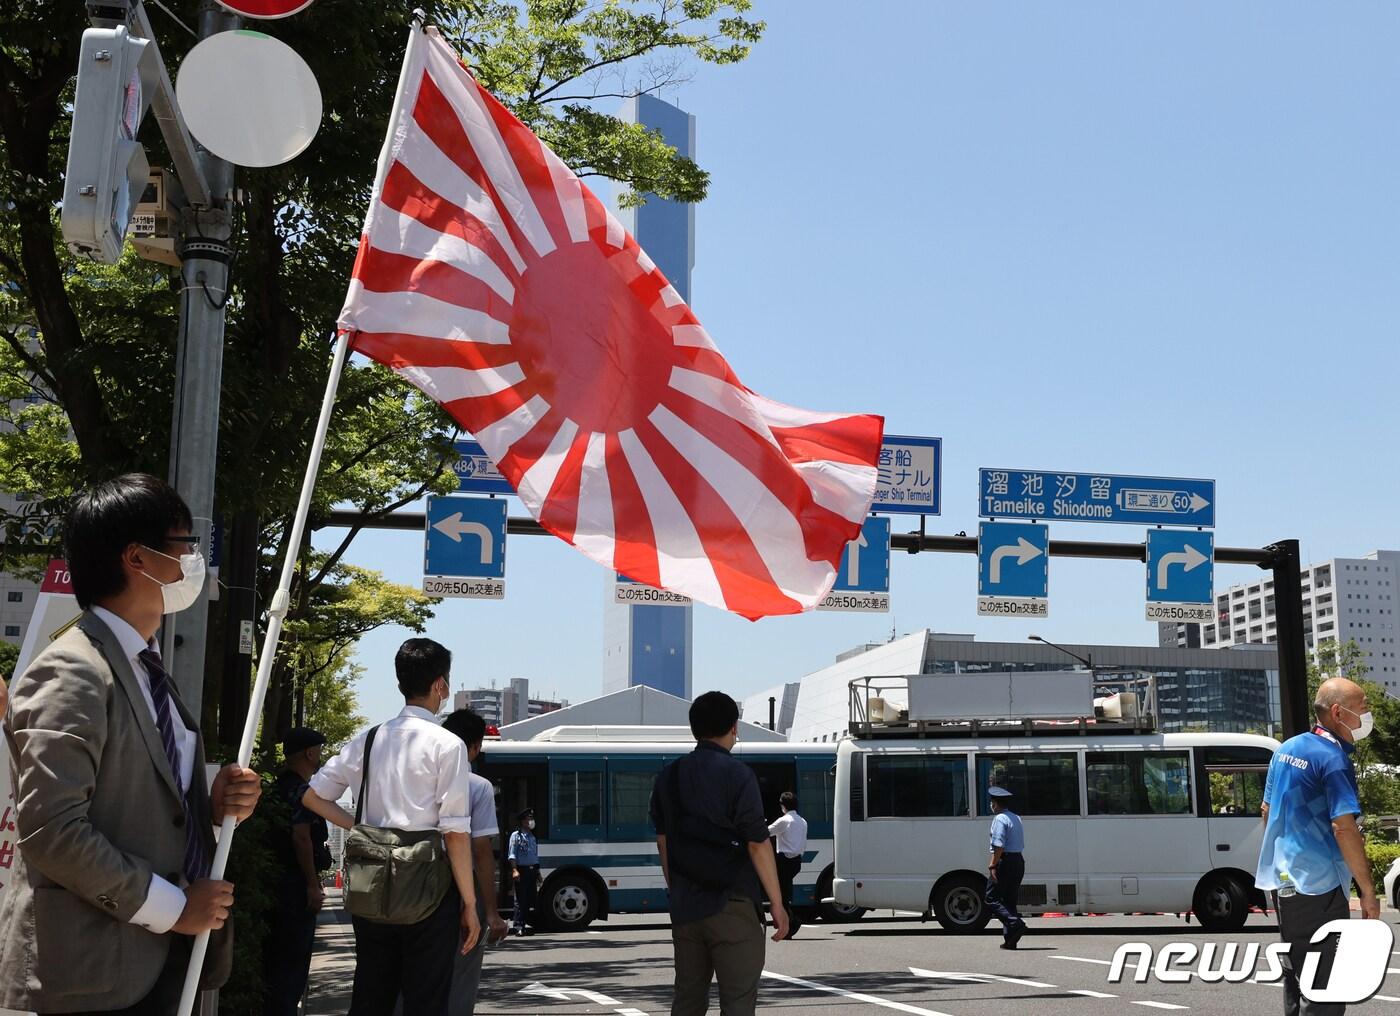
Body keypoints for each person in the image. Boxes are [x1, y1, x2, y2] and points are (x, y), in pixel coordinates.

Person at [0, 472, 262, 1015]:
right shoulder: (73, 670)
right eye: (185, 546)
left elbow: (145, 806)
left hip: (156, 963)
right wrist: (173, 909)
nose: (196, 561)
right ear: (137, 559)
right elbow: (52, 830)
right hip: (91, 978)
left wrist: (211, 809)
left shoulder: (146, 669)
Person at [301, 638, 481, 1015]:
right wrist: (469, 903)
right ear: (440, 686)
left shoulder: (367, 740)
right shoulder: (448, 746)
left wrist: (359, 827)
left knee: (371, 993)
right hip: (428, 886)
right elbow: (454, 831)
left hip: (373, 884)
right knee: (426, 998)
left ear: (401, 683)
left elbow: (313, 797)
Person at [650, 691, 788, 1016]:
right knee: (738, 1002)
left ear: (694, 729)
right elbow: (757, 843)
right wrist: (778, 905)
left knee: (687, 1001)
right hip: (733, 904)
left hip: (686, 908)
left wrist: (678, 890)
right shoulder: (738, 774)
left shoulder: (667, 777)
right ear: (734, 727)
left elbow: (663, 842)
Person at [1255, 676, 1379, 1016]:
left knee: (1297, 976)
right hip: (1319, 884)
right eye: (1363, 708)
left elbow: (1266, 810)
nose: (1368, 716)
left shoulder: (1286, 749)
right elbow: (1344, 827)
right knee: (1325, 983)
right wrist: (1367, 890)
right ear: (1338, 713)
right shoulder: (1333, 760)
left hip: (1283, 880)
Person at [441, 708, 510, 1015]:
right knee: (462, 973)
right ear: (475, 746)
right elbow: (481, 852)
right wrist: (491, 912)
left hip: (411, 885)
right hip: (458, 892)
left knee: (411, 975)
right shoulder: (477, 786)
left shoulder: (418, 778)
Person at [263, 727, 331, 1016]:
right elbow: (301, 837)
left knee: (276, 961)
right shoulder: (303, 792)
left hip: (275, 882)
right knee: (292, 963)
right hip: (295, 885)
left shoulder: (277, 787)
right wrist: (312, 885)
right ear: (309, 753)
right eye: (319, 750)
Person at [985, 786, 1027, 949]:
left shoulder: (999, 819)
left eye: (992, 803)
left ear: (995, 804)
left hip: (1005, 861)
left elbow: (999, 845)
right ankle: (1011, 940)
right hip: (1018, 860)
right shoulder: (1015, 817)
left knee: (991, 898)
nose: (991, 806)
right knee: (1010, 900)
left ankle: (1014, 923)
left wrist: (992, 864)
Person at [767, 791, 808, 939]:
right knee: (785, 893)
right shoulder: (803, 821)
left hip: (784, 860)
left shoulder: (784, 820)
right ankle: (788, 924)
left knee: (780, 896)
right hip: (796, 861)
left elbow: (767, 832)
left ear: (783, 806)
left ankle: (791, 923)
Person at [507, 808, 539, 936]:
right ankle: (519, 926)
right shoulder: (516, 835)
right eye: (528, 819)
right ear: (523, 821)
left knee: (531, 898)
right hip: (522, 870)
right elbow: (512, 854)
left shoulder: (532, 837)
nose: (531, 821)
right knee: (520, 900)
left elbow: (535, 856)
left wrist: (538, 872)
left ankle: (525, 924)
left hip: (532, 870)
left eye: (531, 818)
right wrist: (514, 870)